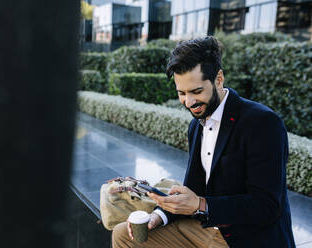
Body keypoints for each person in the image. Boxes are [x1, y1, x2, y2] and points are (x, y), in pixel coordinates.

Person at [112, 36, 296, 248]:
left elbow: (267, 206)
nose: (189, 102)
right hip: (205, 229)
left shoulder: (262, 123)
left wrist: (201, 205)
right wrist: (159, 215)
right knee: (123, 235)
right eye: (181, 93)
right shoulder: (196, 125)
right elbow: (194, 186)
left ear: (219, 79)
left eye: (196, 91)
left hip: (246, 238)